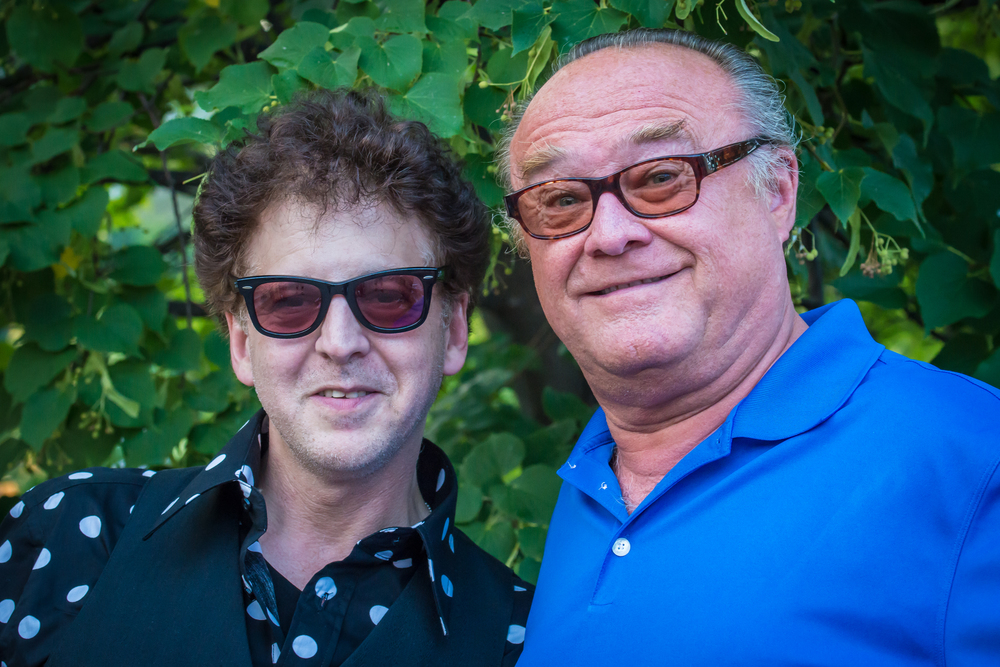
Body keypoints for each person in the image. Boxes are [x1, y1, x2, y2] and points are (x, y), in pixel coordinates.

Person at [500, 29, 1000, 665]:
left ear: (779, 192)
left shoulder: (976, 459)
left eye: (660, 177)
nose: (610, 235)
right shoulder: (586, 488)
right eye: (562, 199)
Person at [0, 89, 531, 667]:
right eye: (288, 302)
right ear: (240, 342)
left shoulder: (523, 641)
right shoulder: (68, 538)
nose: (340, 343)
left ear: (454, 331)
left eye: (387, 295)